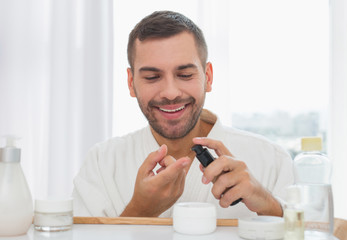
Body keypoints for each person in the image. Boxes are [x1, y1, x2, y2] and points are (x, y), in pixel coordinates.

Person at [72, 10, 294, 218]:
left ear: (208, 77)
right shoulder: (101, 164)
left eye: (185, 75)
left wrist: (271, 208)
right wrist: (140, 212)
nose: (170, 93)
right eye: (152, 77)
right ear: (131, 83)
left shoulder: (271, 161)